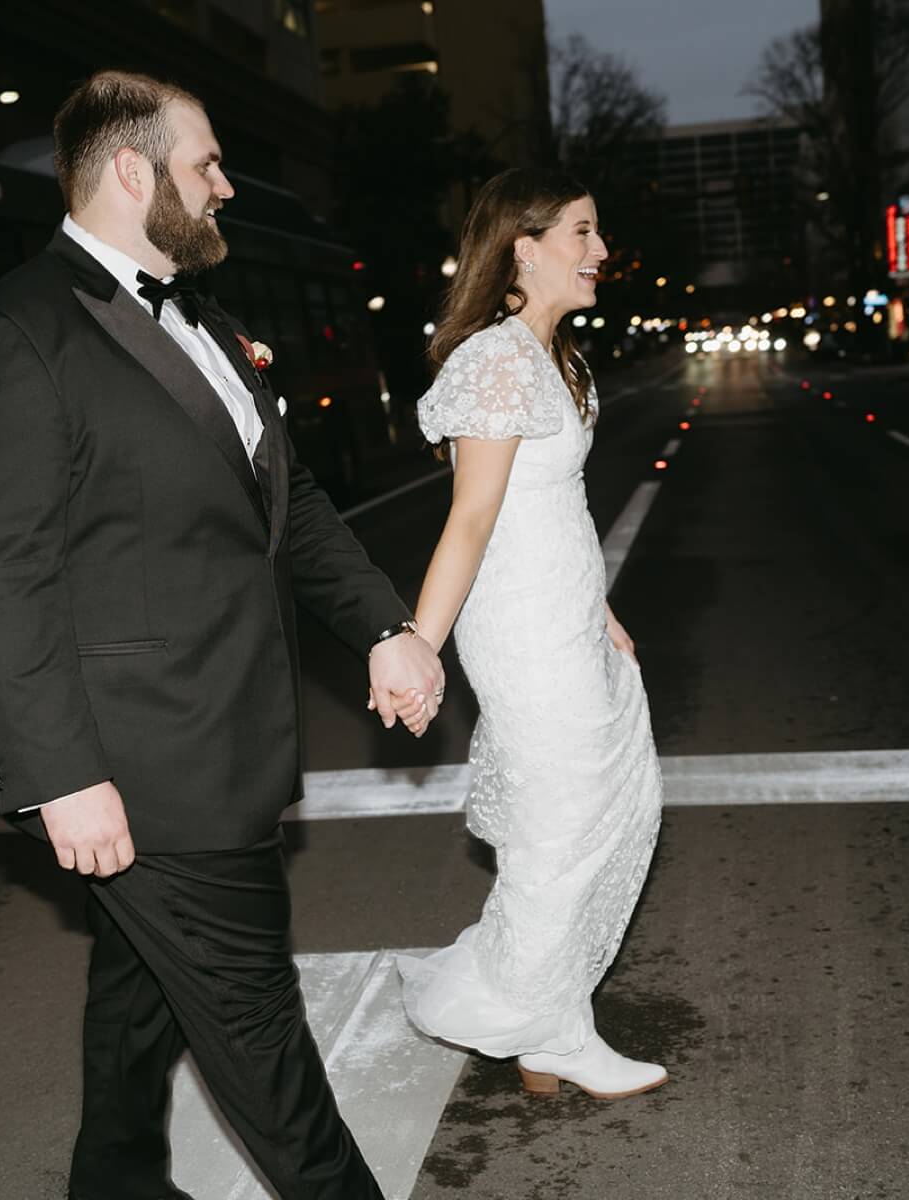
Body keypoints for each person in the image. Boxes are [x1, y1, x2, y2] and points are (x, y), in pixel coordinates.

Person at [0, 71, 445, 1200]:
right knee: (259, 1033)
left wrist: (384, 626)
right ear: (128, 171)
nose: (225, 184)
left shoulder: (214, 323)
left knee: (140, 992)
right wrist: (60, 775)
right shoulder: (13, 336)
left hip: (221, 738)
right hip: (140, 760)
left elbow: (287, 507)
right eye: (206, 162)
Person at [394, 169, 667, 1099]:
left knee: (602, 811)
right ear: (526, 245)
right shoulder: (498, 360)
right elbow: (470, 520)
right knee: (560, 826)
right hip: (517, 625)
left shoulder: (561, 358)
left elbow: (560, 502)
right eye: (583, 232)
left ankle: (552, 1018)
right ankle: (544, 1028)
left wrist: (600, 606)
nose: (599, 251)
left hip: (565, 609)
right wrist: (418, 646)